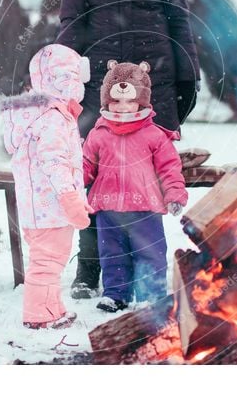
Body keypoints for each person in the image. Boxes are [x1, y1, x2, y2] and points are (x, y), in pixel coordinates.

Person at [58, 0, 200, 298]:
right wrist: (60, 79)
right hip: (99, 85)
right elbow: (70, 24)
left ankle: (145, 269)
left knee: (143, 179)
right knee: (95, 174)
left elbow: (178, 19)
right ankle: (89, 269)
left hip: (150, 82)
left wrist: (185, 77)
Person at [82, 61, 188, 312]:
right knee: (112, 254)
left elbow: (169, 168)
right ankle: (116, 294)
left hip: (145, 207)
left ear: (141, 101)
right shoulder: (98, 133)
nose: (122, 107)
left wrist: (175, 194)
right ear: (106, 102)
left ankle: (151, 294)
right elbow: (86, 166)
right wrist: (73, 189)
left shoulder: (154, 134)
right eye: (116, 102)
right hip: (108, 208)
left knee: (150, 252)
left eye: (129, 101)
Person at [0, 44, 93, 329]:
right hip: (50, 205)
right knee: (47, 262)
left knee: (51, 260)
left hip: (41, 207)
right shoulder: (52, 117)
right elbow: (54, 161)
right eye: (76, 77)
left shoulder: (47, 113)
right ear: (66, 79)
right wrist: (69, 197)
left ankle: (52, 308)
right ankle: (39, 316)